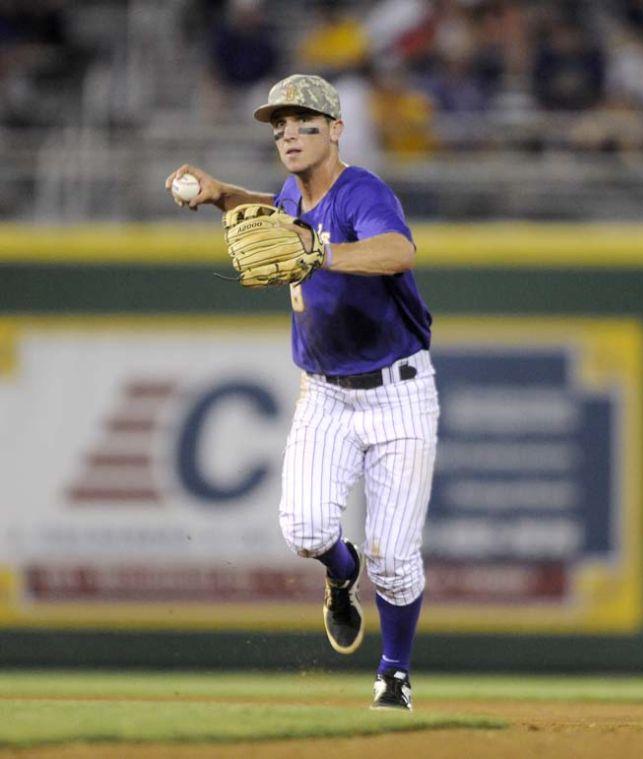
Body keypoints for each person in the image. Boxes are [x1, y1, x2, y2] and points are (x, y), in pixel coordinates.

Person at [166, 74, 439, 711]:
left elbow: (399, 250)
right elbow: (281, 209)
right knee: (306, 529)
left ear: (336, 129)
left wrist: (321, 251)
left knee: (395, 557)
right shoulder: (293, 192)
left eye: (303, 121)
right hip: (324, 393)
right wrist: (219, 196)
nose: (287, 132)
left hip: (398, 395)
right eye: (278, 123)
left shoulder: (363, 190)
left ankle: (393, 673)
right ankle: (342, 578)